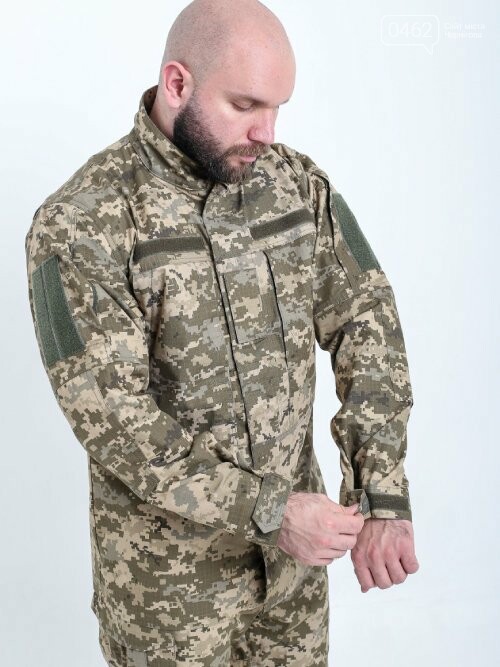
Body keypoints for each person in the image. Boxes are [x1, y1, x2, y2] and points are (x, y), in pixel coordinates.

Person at [24, 0, 419, 664]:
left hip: (292, 587)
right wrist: (272, 511)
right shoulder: (81, 223)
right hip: (169, 600)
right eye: (245, 105)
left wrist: (381, 491)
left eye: (278, 108)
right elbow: (113, 419)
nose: (266, 132)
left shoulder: (295, 187)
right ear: (177, 83)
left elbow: (365, 317)